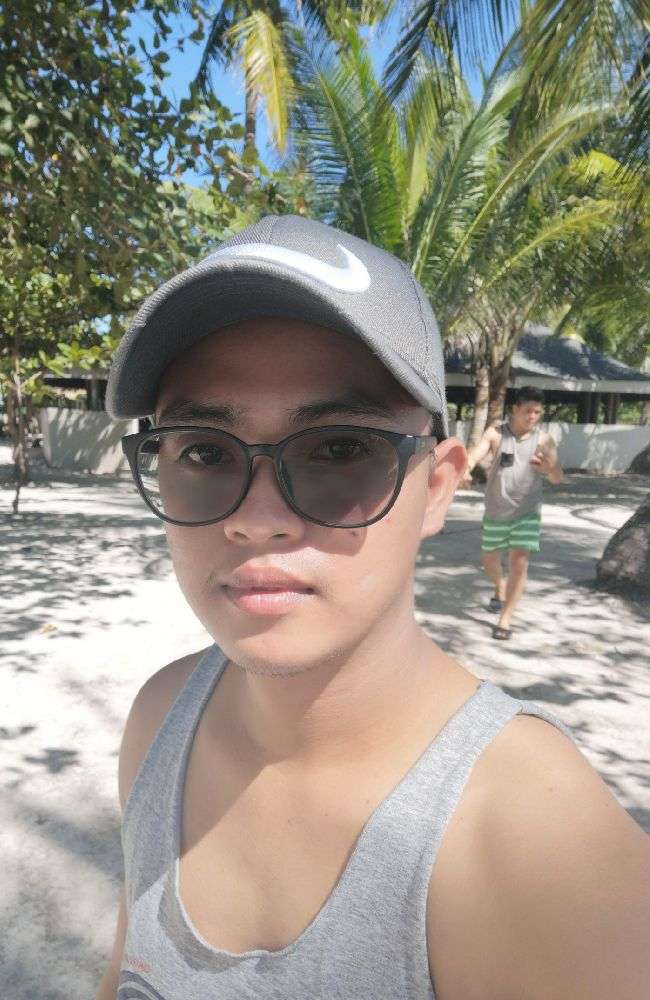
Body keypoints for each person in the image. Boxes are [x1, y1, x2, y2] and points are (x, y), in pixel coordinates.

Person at [97, 216, 650, 1000]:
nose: (256, 519)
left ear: (437, 488)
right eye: (204, 450)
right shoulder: (160, 718)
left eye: (338, 449)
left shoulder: (539, 845)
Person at [461, 386, 563, 640]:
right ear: (515, 409)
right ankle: (500, 587)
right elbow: (474, 456)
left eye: (537, 412)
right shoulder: (496, 434)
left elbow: (557, 477)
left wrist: (550, 469)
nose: (532, 416)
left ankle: (505, 619)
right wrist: (465, 469)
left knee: (519, 561)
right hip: (496, 510)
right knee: (489, 561)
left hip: (527, 512)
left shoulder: (544, 440)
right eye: (528, 411)